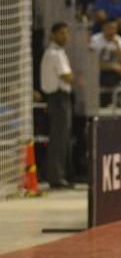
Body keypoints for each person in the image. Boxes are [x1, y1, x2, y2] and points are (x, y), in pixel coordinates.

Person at [40, 23, 74, 189]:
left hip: (55, 98)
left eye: (66, 33)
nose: (65, 36)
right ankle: (57, 176)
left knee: (60, 138)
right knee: (59, 139)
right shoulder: (55, 54)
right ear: (53, 35)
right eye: (61, 33)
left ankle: (59, 174)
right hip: (59, 98)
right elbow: (66, 76)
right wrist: (75, 77)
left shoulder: (52, 53)